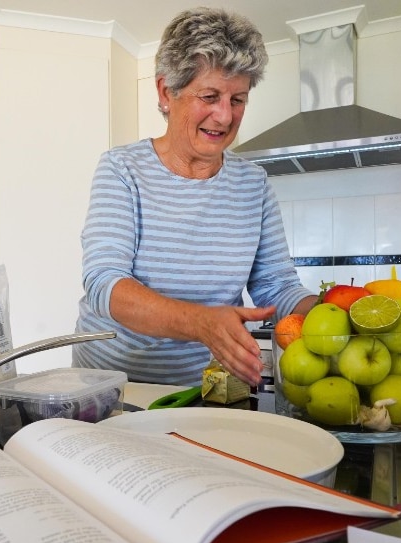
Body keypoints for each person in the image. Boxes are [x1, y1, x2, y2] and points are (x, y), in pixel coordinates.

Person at [72, 7, 317, 388]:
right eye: (209, 95)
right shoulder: (122, 169)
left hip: (202, 388)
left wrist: (331, 311)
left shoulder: (254, 184)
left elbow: (277, 287)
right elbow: (105, 283)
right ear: (166, 92)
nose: (224, 116)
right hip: (112, 387)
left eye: (238, 99)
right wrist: (201, 323)